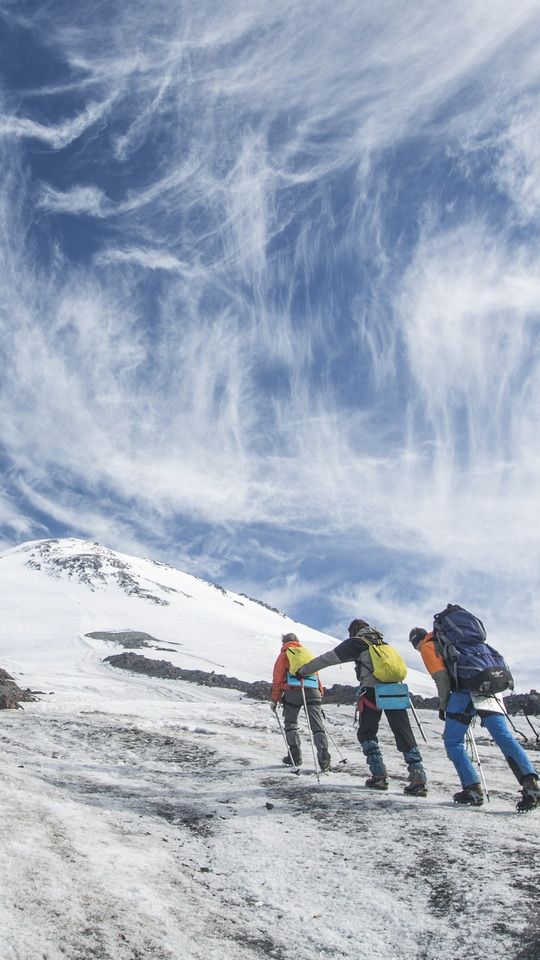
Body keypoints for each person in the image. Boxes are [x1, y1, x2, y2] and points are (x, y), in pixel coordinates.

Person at [409, 624, 540, 811]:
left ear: (418, 641)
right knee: (504, 737)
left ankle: (472, 789)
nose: (417, 650)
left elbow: (442, 678)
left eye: (416, 646)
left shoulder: (428, 646)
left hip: (463, 693)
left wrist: (444, 705)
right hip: (490, 688)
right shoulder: (465, 640)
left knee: (453, 742)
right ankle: (531, 784)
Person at [297, 619, 427, 795]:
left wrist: (303, 670)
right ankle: (418, 776)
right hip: (395, 689)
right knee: (403, 732)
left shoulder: (357, 642)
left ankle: (379, 776)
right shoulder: (383, 643)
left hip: (372, 691)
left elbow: (328, 658)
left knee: (367, 733)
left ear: (353, 632)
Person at [270, 633, 331, 771]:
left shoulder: (284, 654)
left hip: (293, 691)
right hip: (313, 690)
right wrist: (319, 692)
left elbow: (278, 678)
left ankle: (295, 755)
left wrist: (275, 699)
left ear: (284, 642)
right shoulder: (306, 653)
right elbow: (316, 673)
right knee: (317, 725)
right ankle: (324, 757)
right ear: (297, 641)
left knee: (291, 723)